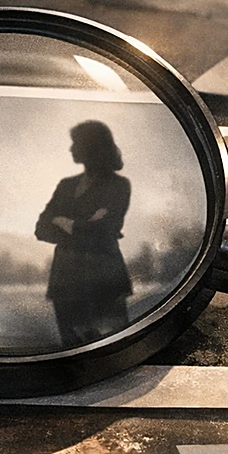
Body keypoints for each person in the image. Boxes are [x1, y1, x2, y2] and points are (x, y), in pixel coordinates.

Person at [35, 120, 132, 345]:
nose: (71, 149)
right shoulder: (66, 185)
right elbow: (41, 228)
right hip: (65, 282)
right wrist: (84, 226)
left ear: (92, 147)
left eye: (75, 143)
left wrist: (61, 221)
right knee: (73, 355)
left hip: (104, 280)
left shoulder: (118, 185)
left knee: (113, 349)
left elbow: (106, 228)